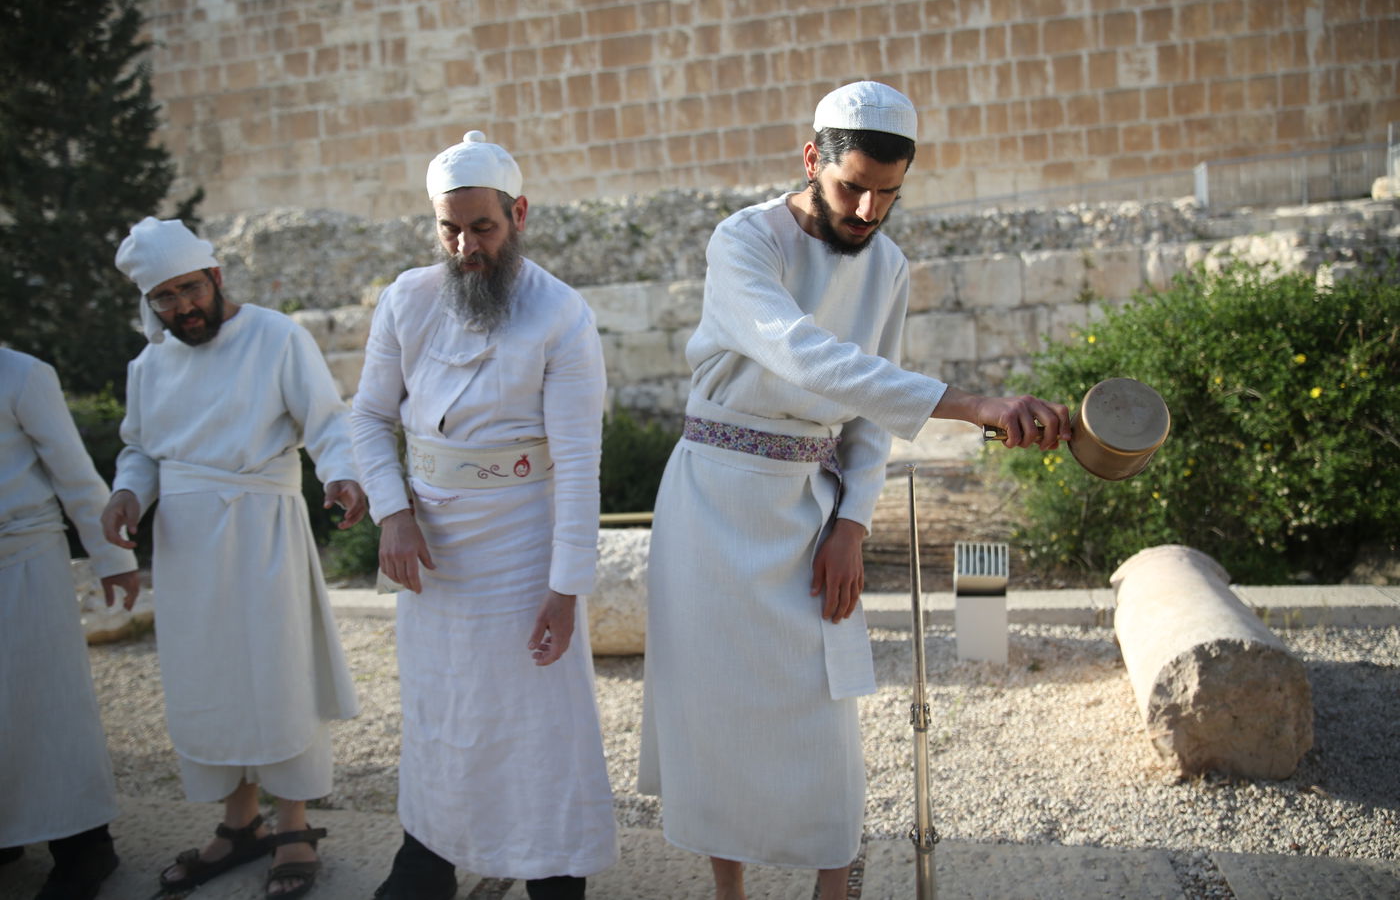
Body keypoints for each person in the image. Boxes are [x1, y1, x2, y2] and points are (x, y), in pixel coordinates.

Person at [638, 80, 1072, 899]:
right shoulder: (744, 241)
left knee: (821, 709)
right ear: (812, 159)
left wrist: (853, 523)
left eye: (889, 194)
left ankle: (832, 888)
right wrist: (972, 404)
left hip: (811, 505)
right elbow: (804, 354)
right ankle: (727, 889)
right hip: (712, 499)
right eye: (853, 187)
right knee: (713, 704)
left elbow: (869, 413)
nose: (869, 209)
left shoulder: (891, 266)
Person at [350, 131, 617, 900]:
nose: (466, 247)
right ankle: (427, 857)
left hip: (523, 548)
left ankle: (553, 873)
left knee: (539, 726)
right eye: (450, 229)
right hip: (432, 548)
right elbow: (368, 417)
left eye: (483, 228)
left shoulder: (562, 315)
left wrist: (566, 590)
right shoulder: (407, 299)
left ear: (519, 214)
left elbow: (577, 464)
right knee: (442, 713)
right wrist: (394, 514)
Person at [100, 217, 367, 900]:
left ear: (215, 278)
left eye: (190, 289)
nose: (182, 307)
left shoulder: (277, 336)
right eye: (165, 297)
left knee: (279, 675)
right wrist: (129, 493)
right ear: (148, 301)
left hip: (263, 529)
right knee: (210, 682)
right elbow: (141, 448)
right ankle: (239, 822)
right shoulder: (148, 365)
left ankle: (295, 826)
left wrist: (340, 474)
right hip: (188, 545)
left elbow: (328, 423)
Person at [0, 349, 142, 900]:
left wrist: (114, 560)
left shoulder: (23, 375)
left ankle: (85, 846)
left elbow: (74, 472)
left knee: (47, 704)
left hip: (24, 559)